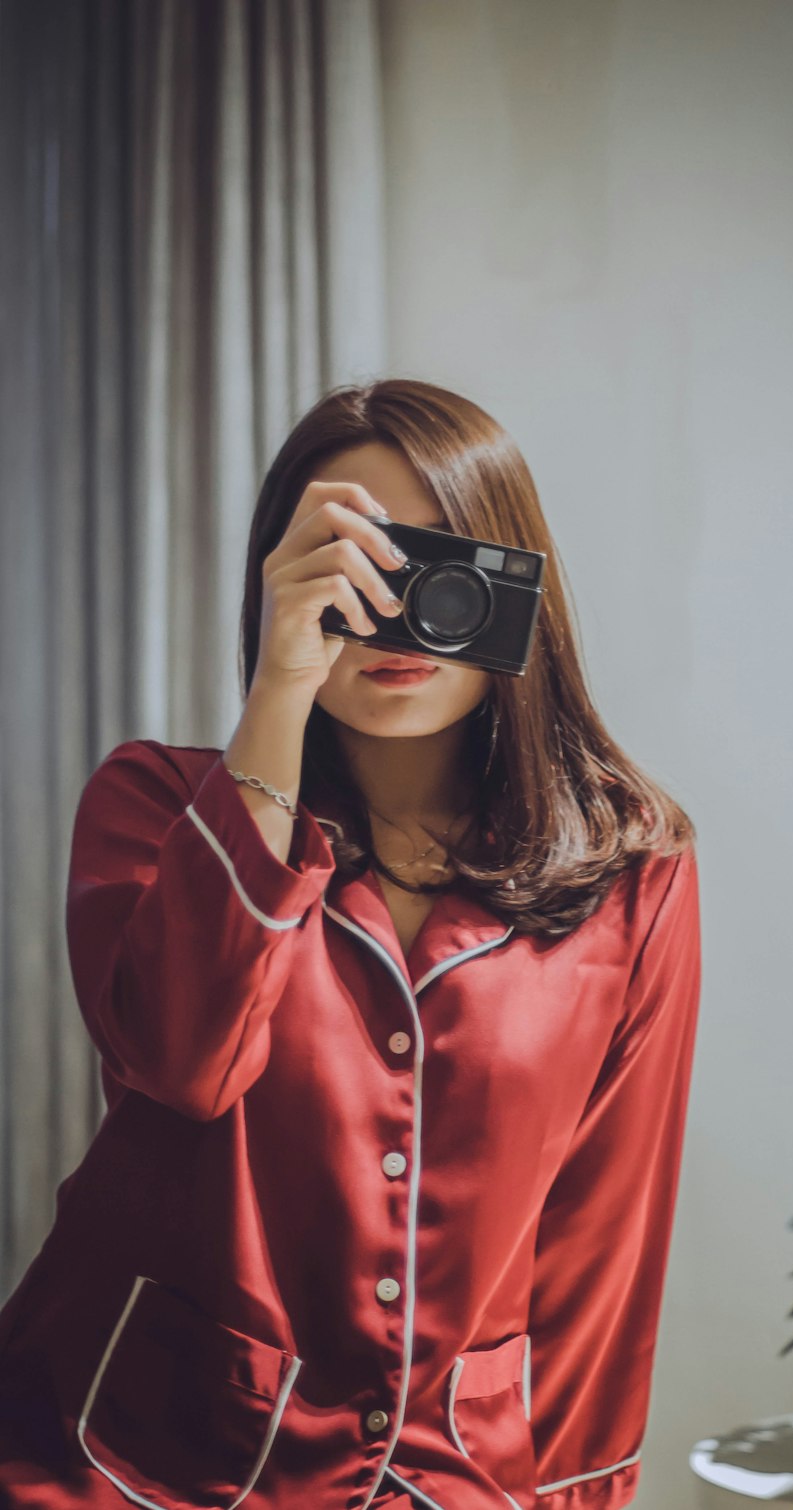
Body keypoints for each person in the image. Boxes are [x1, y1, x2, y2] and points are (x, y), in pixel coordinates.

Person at [0, 378, 702, 1510]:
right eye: (356, 560)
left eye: (441, 564)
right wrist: (281, 687)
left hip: (454, 1478)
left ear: (518, 586)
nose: (398, 609)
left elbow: (600, 1254)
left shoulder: (633, 872)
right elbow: (183, 1063)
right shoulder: (154, 808)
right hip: (133, 1461)